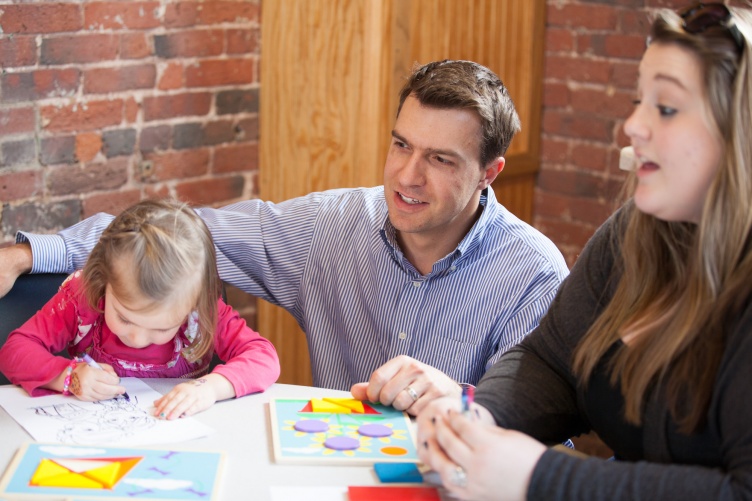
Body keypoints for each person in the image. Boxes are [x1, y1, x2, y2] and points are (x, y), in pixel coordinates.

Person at [0, 60, 568, 415]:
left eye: (440, 159)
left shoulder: (533, 272)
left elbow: (546, 426)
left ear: (489, 172)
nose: (407, 176)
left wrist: (461, 401)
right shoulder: (328, 228)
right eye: (401, 146)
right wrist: (28, 253)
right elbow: (173, 235)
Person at [416, 3, 752, 499]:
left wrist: (539, 476)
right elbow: (551, 361)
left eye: (665, 108)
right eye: (639, 101)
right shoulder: (634, 235)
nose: (633, 126)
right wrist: (479, 416)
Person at [0, 199, 280, 420]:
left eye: (161, 328)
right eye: (123, 317)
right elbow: (15, 350)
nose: (137, 338)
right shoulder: (82, 298)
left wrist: (210, 388)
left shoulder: (202, 313)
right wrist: (68, 377)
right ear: (103, 280)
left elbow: (264, 358)